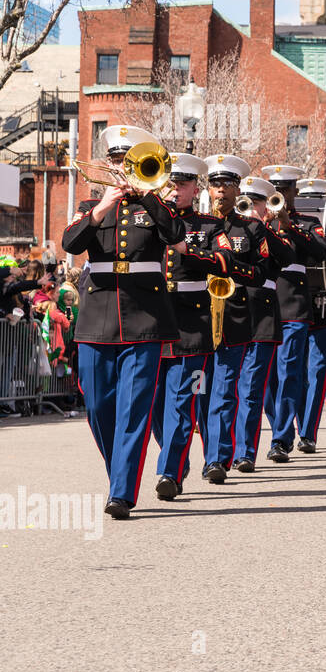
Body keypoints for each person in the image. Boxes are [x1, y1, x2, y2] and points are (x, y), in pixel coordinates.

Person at [61, 125, 187, 519]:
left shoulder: (156, 205)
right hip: (97, 314)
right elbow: (70, 243)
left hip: (144, 316)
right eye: (117, 162)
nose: (122, 168)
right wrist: (101, 206)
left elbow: (176, 234)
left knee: (135, 408)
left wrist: (149, 196)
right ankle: (120, 470)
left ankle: (121, 491)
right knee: (98, 406)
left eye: (128, 162)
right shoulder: (89, 207)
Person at [150, 153, 256, 500]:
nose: (174, 189)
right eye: (170, 182)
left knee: (183, 401)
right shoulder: (147, 220)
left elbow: (225, 261)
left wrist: (186, 250)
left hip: (191, 323)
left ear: (195, 188)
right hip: (152, 319)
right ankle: (176, 461)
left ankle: (168, 470)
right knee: (155, 409)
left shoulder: (209, 226)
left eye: (181, 183)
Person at [199, 155, 285, 481]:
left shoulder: (250, 228)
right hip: (197, 319)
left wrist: (232, 270)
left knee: (228, 389)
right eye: (215, 184)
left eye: (226, 185)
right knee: (198, 392)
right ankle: (201, 451)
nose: (220, 191)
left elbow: (265, 270)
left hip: (234, 316)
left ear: (237, 189)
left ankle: (221, 458)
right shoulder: (195, 224)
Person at [260, 165, 326, 462]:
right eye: (274, 189)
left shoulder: (309, 221)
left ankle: (281, 437)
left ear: (295, 193)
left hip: (294, 307)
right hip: (264, 305)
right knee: (267, 380)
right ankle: (280, 425)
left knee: (289, 373)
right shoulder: (258, 221)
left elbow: (321, 250)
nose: (279, 194)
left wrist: (289, 225)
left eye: (285, 189)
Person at [232, 175, 295, 470]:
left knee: (254, 388)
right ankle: (223, 450)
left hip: (261, 313)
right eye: (245, 201)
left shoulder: (272, 233)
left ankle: (246, 451)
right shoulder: (229, 229)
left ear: (266, 206)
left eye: (255, 202)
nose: (248, 207)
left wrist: (262, 227)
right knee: (230, 387)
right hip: (230, 309)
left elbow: (287, 256)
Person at [291, 177, 326, 453]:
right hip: (293, 303)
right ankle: (293, 425)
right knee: (293, 370)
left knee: (318, 370)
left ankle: (308, 431)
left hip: (325, 304)